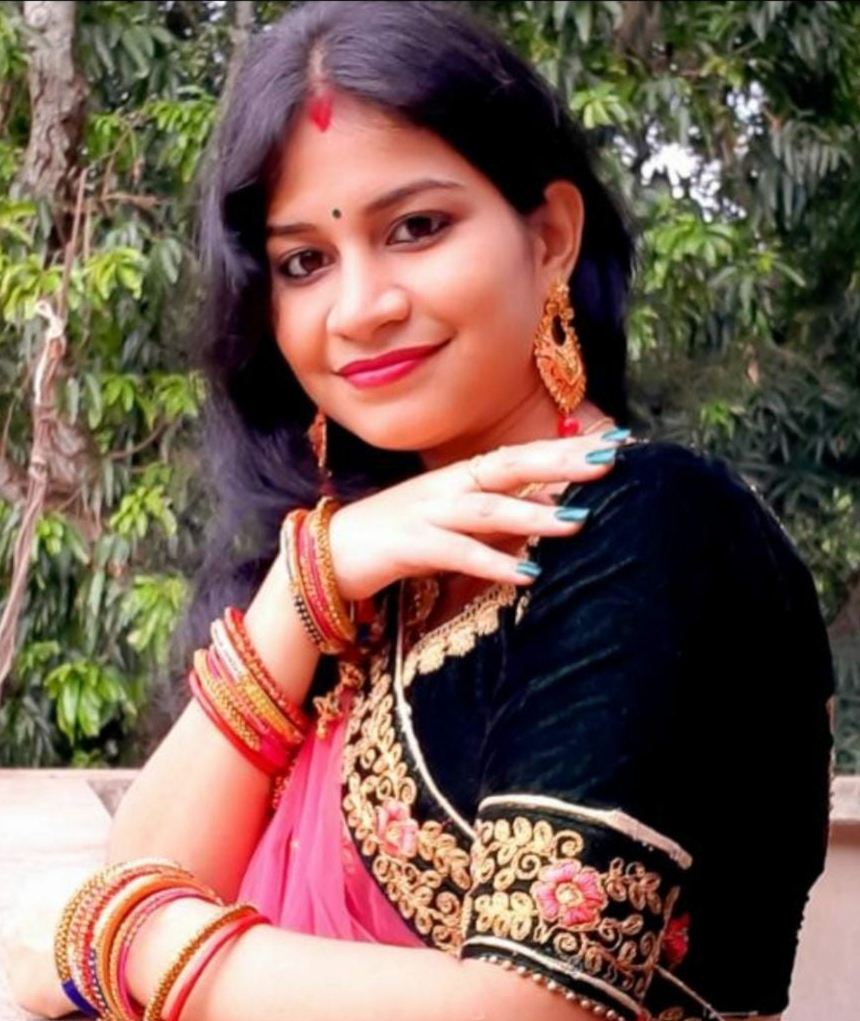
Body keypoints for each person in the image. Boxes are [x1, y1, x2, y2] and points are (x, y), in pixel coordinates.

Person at [5, 3, 833, 1020]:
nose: (362, 307)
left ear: (550, 237)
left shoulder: (648, 526)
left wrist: (130, 940)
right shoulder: (364, 574)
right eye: (304, 261)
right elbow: (144, 875)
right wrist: (300, 588)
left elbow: (529, 1008)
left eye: (416, 228)